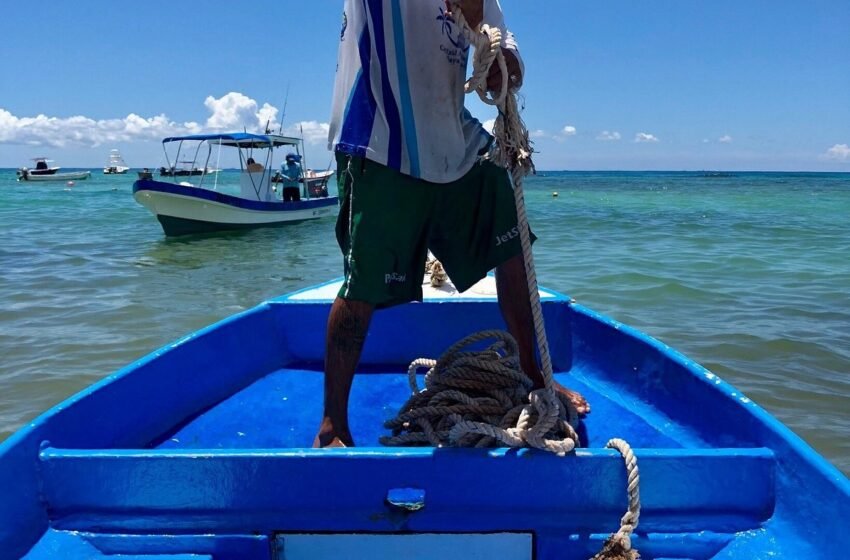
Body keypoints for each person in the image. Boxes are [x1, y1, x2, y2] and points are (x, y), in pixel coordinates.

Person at [315, 0, 588, 448]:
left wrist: (503, 64)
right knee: (362, 284)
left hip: (451, 138)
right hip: (382, 138)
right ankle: (333, 421)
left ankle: (535, 375)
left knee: (510, 231)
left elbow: (508, 53)